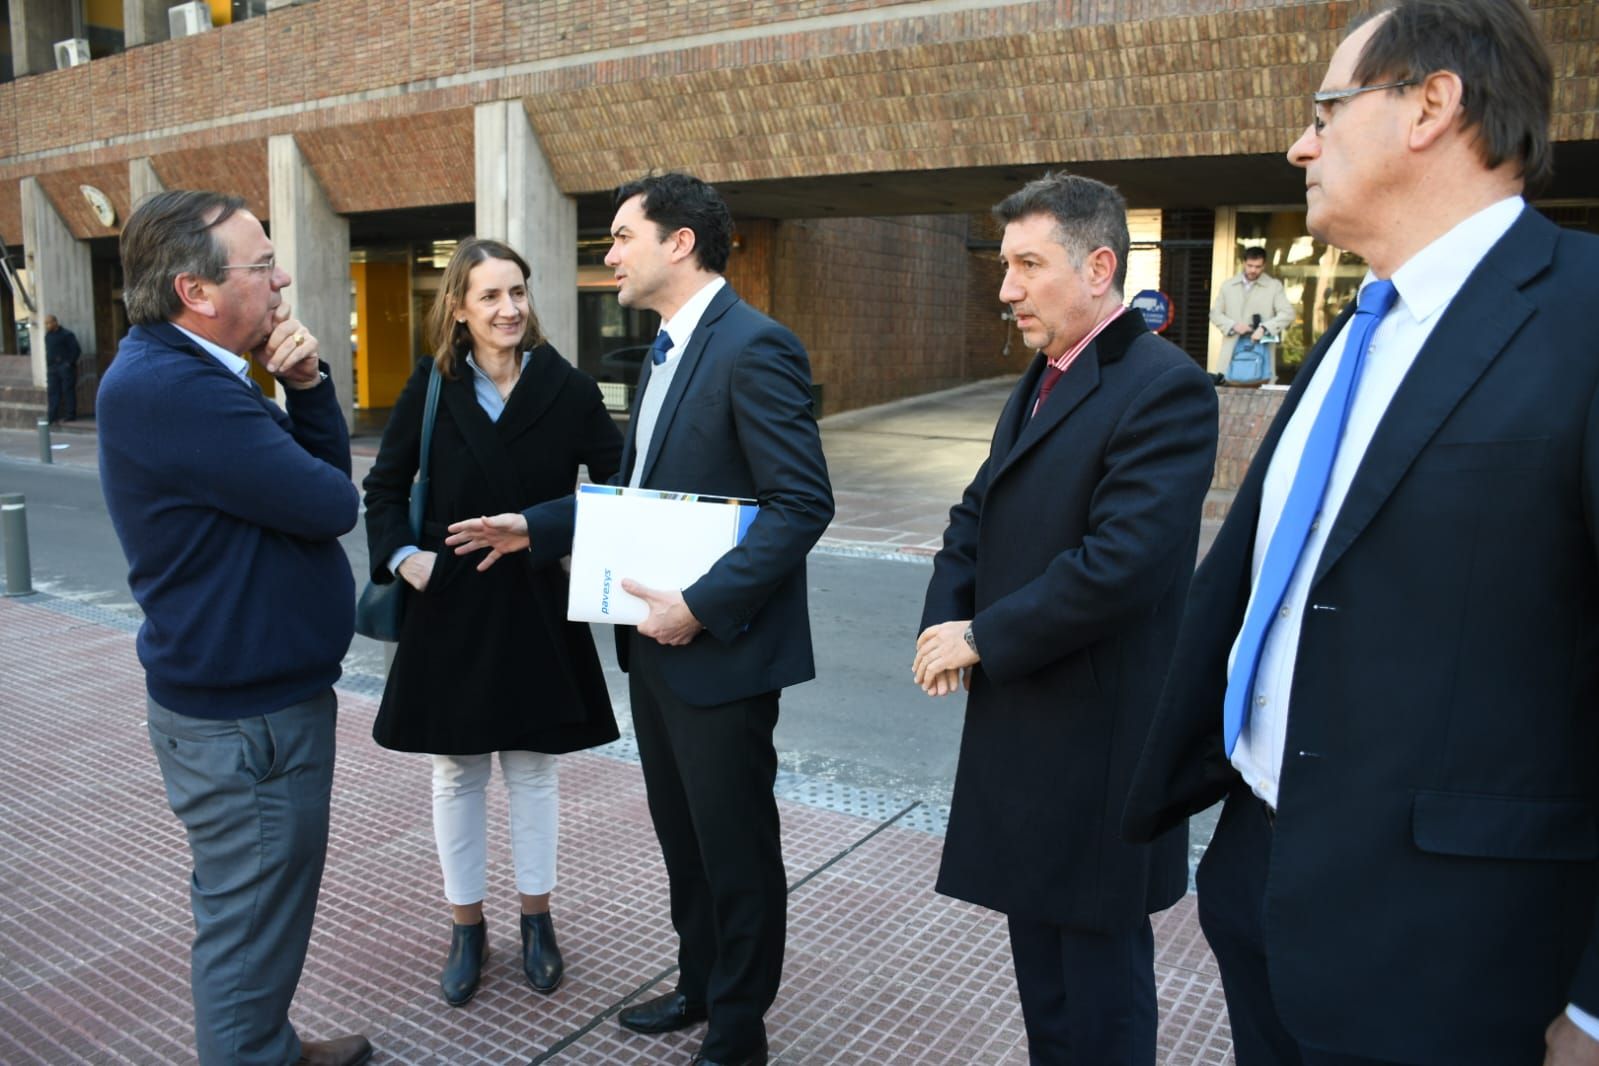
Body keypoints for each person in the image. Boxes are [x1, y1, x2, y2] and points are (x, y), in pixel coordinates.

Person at [1123, 3, 1599, 1064]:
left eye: (1326, 111)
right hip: (1261, 884)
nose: (1301, 145)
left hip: (1459, 951)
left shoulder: (1584, 316)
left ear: (1430, 106)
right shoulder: (1355, 325)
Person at [446, 172, 834, 1066]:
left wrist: (700, 607)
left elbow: (801, 504)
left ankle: (738, 1030)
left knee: (734, 850)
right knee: (685, 841)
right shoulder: (663, 350)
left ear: (679, 243)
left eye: (622, 237)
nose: (610, 254)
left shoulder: (754, 346)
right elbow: (633, 492)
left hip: (720, 650)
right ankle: (700, 985)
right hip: (655, 649)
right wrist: (537, 526)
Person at [911, 172, 1218, 1066]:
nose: (1006, 289)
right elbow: (977, 512)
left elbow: (1122, 565)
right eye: (1004, 266)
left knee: (1098, 995)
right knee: (1044, 983)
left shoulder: (1163, 386)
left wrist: (982, 636)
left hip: (1098, 745)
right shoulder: (1045, 375)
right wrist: (944, 624)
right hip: (1027, 724)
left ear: (1098, 267)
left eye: (1027, 266)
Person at [96, 190, 371, 1066]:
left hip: (249, 708)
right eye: (263, 265)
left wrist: (306, 387)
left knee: (259, 910)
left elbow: (313, 488)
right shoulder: (176, 389)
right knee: (248, 924)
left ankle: (266, 1045)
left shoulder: (195, 373)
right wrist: (307, 392)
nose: (282, 280)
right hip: (246, 723)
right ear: (197, 291)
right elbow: (330, 503)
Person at [361, 237, 622, 1007]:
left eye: (517, 292)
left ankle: (537, 920)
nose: (508, 309)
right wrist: (405, 559)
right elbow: (383, 488)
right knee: (457, 774)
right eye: (489, 296)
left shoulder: (568, 388)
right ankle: (465, 928)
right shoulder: (432, 386)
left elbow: (621, 490)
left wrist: (553, 533)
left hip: (536, 604)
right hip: (451, 607)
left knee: (535, 771)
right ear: (458, 308)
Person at [1208, 247, 1295, 382]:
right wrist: (1233, 325)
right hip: (1231, 352)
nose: (1253, 270)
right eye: (1250, 266)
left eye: (1258, 266)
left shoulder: (1274, 286)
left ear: (1264, 266)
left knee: (1261, 386)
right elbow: (1215, 314)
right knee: (1227, 387)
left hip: (1261, 354)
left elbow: (1288, 314)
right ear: (1243, 263)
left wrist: (1264, 328)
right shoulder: (1228, 286)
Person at [43, 313, 81, 424]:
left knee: (68, 391)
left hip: (65, 367)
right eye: (46, 323)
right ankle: (52, 416)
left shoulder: (67, 335)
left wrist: (68, 363)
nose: (47, 325)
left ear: (55, 322)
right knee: (52, 392)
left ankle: (70, 415)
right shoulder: (48, 336)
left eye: (49, 323)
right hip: (52, 368)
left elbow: (76, 350)